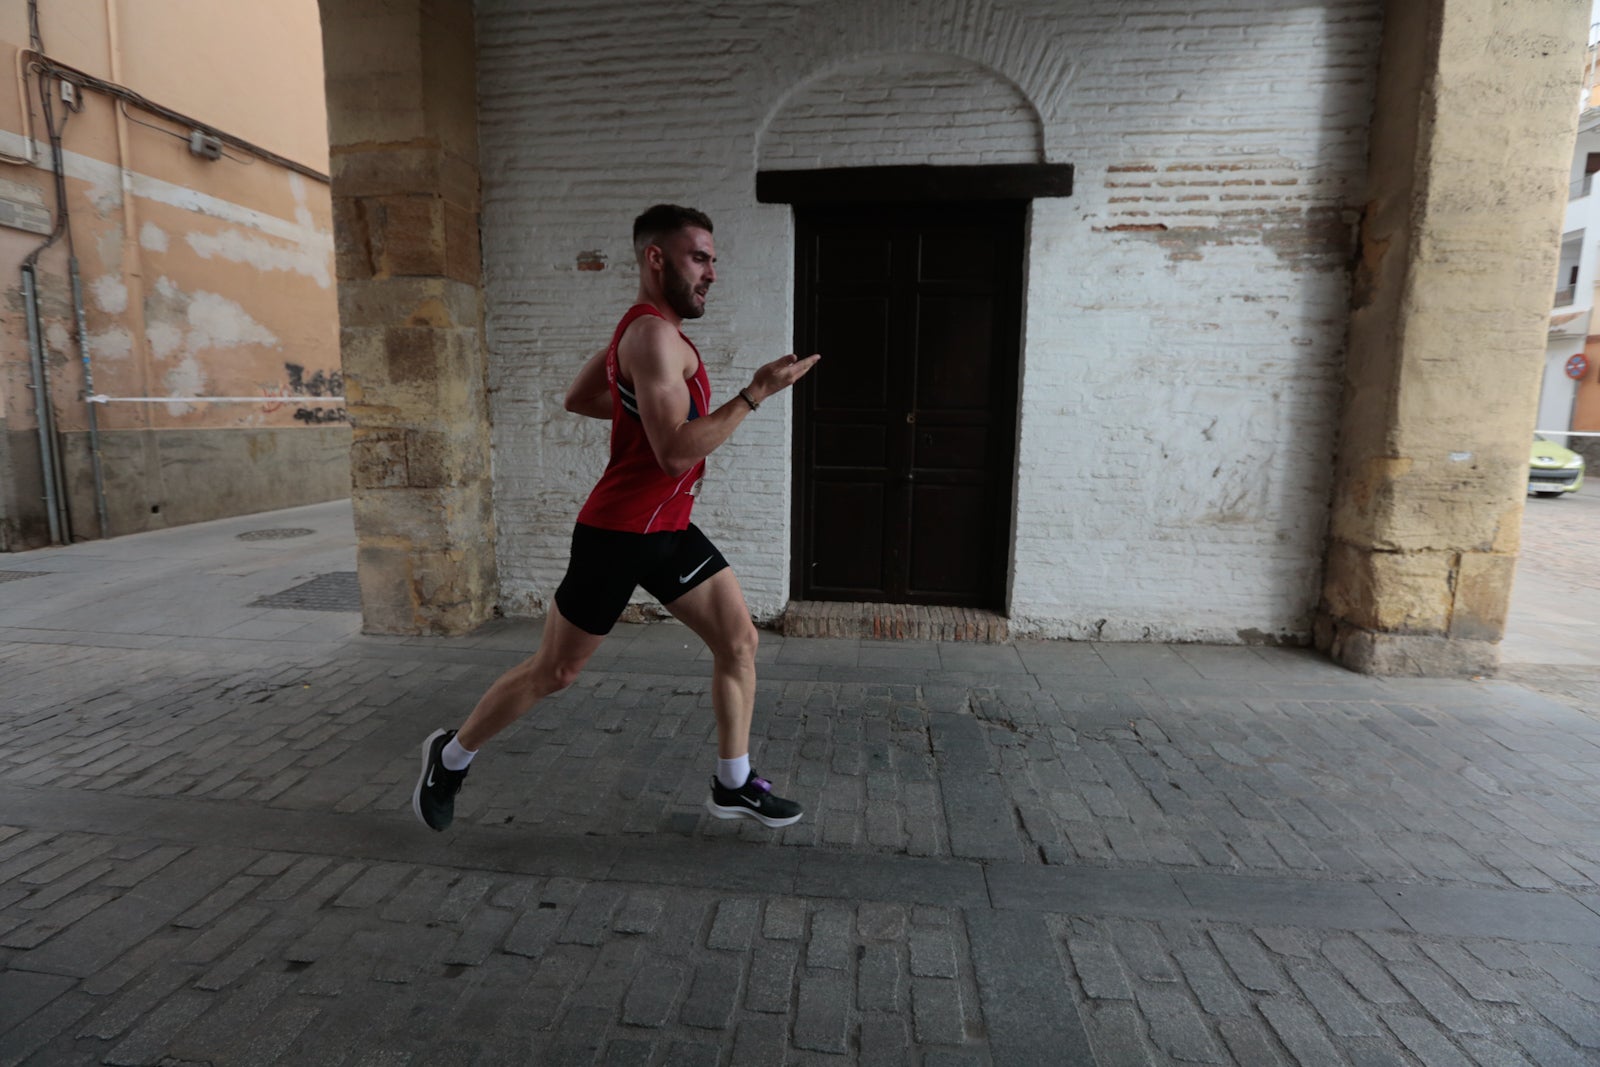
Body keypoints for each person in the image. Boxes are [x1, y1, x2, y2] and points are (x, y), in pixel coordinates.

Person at [413, 204, 820, 834]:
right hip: (617, 535)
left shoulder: (644, 331)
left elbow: (582, 398)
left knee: (738, 642)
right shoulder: (654, 336)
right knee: (556, 671)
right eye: (699, 258)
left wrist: (640, 409)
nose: (711, 273)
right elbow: (676, 451)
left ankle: (733, 784)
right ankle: (450, 755)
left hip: (668, 530)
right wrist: (754, 394)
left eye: (713, 260)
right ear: (656, 258)